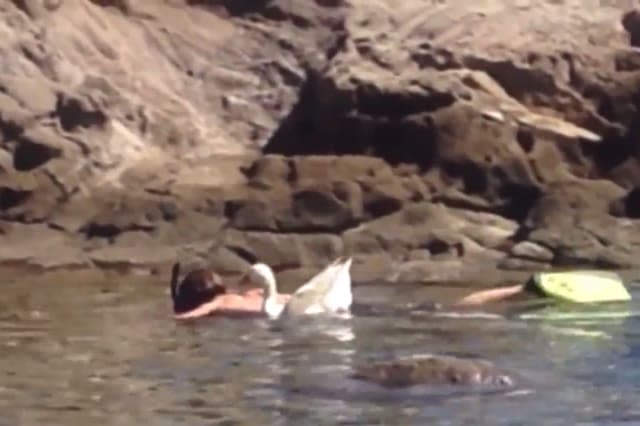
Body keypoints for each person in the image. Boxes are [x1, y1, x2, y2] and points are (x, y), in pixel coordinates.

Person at [170, 262, 290, 320]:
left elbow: (195, 313)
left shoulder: (217, 303)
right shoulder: (249, 293)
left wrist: (177, 318)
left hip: (269, 316)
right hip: (282, 307)